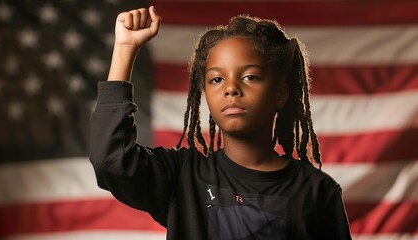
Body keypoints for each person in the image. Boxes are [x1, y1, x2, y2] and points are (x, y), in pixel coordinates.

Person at [89, 6, 352, 240]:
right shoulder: (182, 176)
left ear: (281, 93)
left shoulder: (318, 192)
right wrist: (125, 48)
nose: (231, 89)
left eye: (250, 76)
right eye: (216, 79)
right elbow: (111, 160)